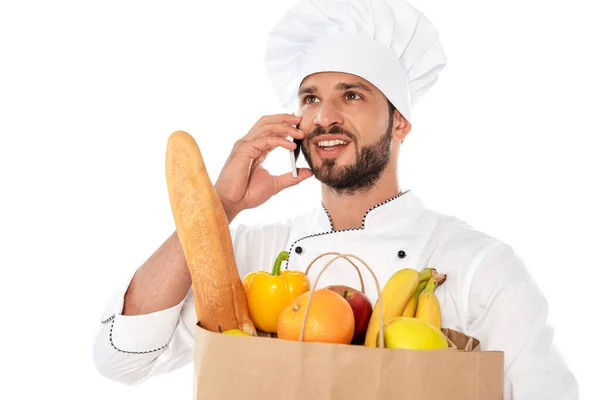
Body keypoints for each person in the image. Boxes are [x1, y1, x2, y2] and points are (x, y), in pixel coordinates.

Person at [93, 0, 579, 398]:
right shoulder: (252, 255)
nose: (324, 117)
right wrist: (221, 206)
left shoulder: (477, 264)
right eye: (309, 98)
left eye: (351, 95)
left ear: (401, 123)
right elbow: (123, 359)